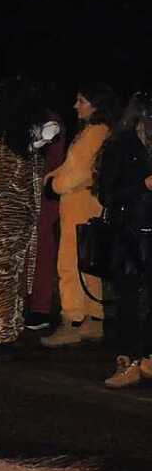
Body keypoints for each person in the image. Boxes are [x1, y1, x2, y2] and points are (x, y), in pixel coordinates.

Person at [40, 83, 120, 348]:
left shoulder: (94, 133)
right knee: (88, 262)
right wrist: (52, 178)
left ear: (96, 105)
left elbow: (78, 171)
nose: (76, 105)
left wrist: (54, 185)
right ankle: (94, 319)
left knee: (71, 263)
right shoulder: (96, 131)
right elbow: (71, 166)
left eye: (81, 100)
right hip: (86, 204)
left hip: (79, 206)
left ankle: (73, 319)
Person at [0, 76, 47, 359]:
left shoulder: (4, 141)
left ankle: (3, 336)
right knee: (13, 276)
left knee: (2, 277)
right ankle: (13, 329)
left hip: (2, 218)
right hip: (22, 216)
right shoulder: (28, 143)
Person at [94, 92, 152, 387]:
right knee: (129, 301)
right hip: (128, 237)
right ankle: (127, 360)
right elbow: (107, 194)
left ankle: (148, 360)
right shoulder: (120, 146)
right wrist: (143, 185)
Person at [24, 97, 67, 331]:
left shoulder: (50, 123)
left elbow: (53, 158)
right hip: (26, 195)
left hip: (43, 196)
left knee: (42, 252)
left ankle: (39, 308)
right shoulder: (25, 121)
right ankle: (24, 301)